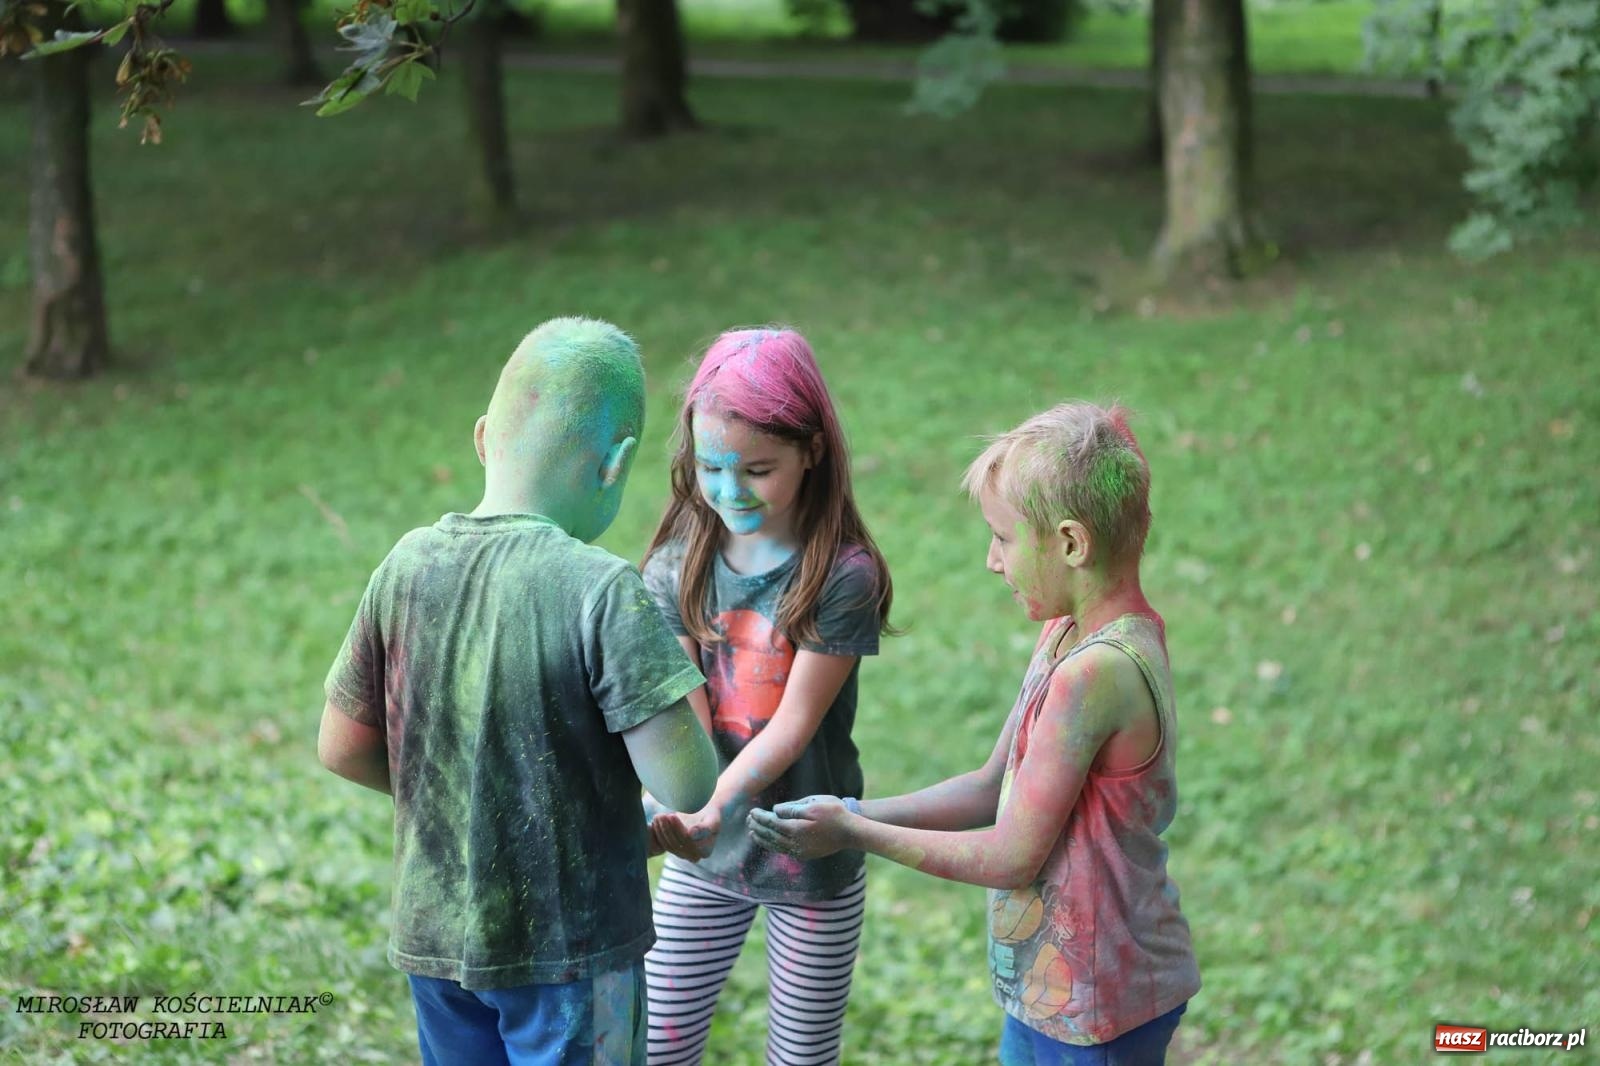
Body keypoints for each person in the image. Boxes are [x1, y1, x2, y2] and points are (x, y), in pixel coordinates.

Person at [316, 317, 721, 1066]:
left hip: (440, 938)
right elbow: (687, 783)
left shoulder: (405, 566)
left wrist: (468, 800)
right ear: (615, 464)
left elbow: (341, 748)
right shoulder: (600, 587)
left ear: (482, 438)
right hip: (576, 952)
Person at [750, 402, 1201, 1066]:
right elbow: (993, 788)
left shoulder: (1098, 673)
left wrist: (855, 834)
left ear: (1072, 544)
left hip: (1101, 1007)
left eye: (1004, 538)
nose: (992, 560)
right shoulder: (1066, 634)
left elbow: (1011, 857)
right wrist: (851, 812)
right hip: (1057, 994)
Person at [637, 327, 894, 1066]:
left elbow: (793, 725)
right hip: (703, 856)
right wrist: (685, 803)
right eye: (710, 468)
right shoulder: (676, 565)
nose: (729, 491)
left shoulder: (842, 576)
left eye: (756, 469)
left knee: (802, 1055)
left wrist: (713, 806)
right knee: (658, 1042)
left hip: (809, 855)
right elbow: (685, 709)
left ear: (811, 450)